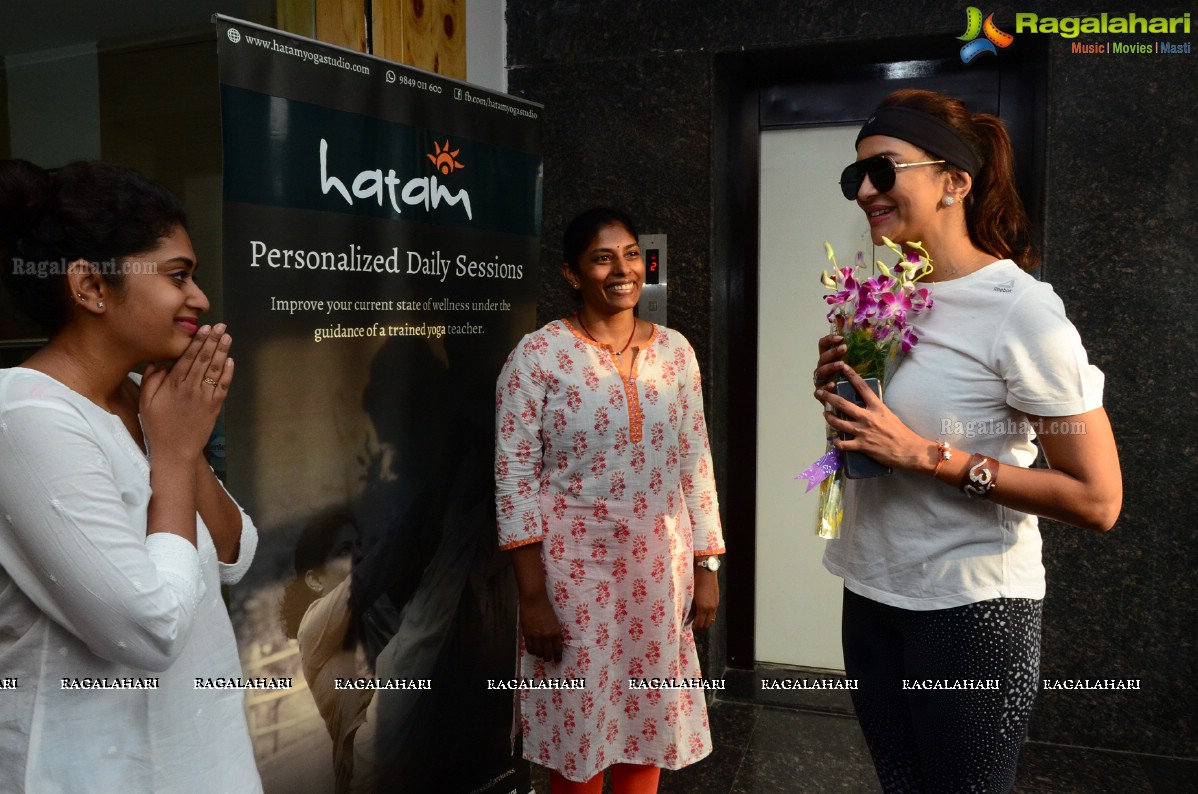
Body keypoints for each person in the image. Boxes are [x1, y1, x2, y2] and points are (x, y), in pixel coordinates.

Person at [813, 90, 1122, 793]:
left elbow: (1097, 498)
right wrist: (846, 403)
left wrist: (924, 454)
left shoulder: (1022, 311)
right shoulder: (884, 294)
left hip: (971, 610)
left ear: (954, 180)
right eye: (854, 177)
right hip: (871, 589)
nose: (864, 191)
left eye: (884, 171)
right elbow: (878, 439)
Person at [0, 159, 261, 791]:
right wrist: (172, 455)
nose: (198, 299)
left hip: (202, 753)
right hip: (93, 768)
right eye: (178, 276)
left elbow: (236, 552)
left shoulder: (146, 396)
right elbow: (150, 631)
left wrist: (180, 441)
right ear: (90, 286)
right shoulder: (25, 418)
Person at [494, 207, 725, 794]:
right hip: (572, 581)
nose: (622, 270)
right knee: (577, 732)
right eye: (602, 257)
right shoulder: (538, 357)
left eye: (629, 255)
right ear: (573, 274)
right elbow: (514, 478)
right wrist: (532, 598)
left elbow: (695, 460)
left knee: (647, 719)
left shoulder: (676, 352)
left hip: (658, 578)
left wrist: (707, 564)